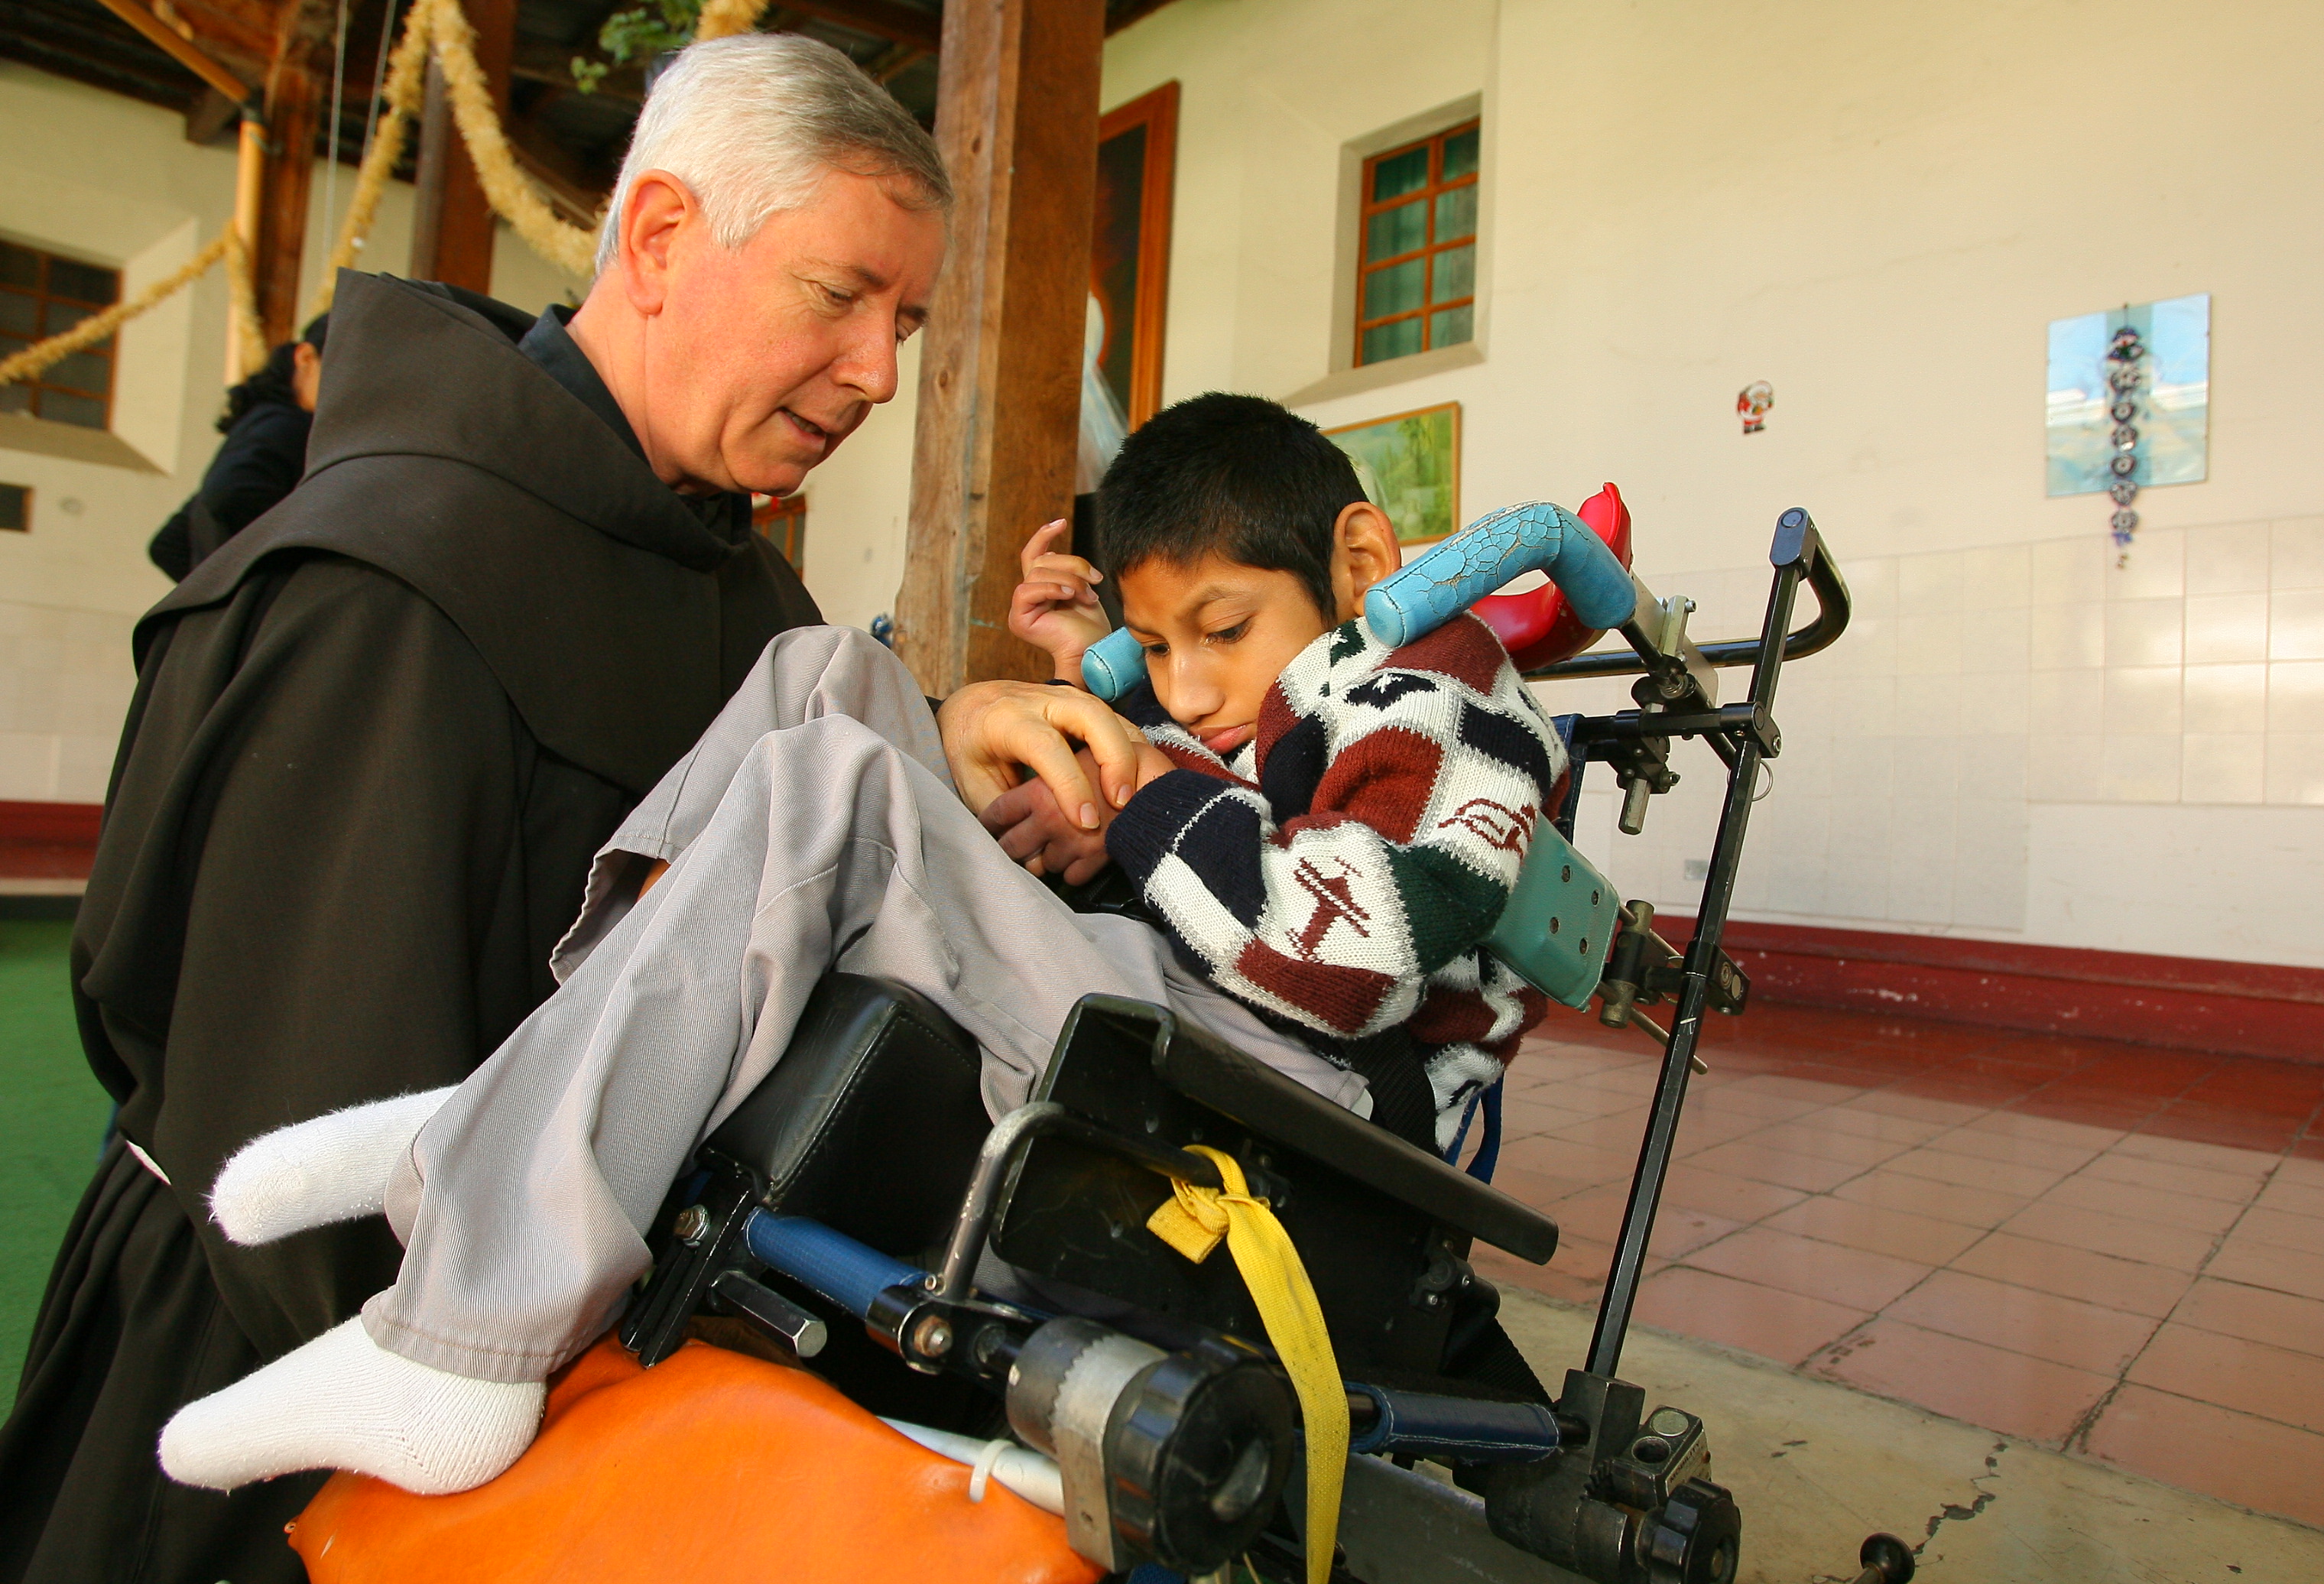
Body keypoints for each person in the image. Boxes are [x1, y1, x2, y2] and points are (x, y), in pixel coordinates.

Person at [0, 32, 1086, 1584]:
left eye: (904, 319)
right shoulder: (386, 588)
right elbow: (302, 1149)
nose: (879, 372)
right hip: (283, 1411)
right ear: (656, 238)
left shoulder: (730, 572)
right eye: (839, 295)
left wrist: (940, 748)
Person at [152, 392, 1569, 1502]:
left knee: (836, 788)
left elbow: (1362, 953)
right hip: (1177, 1020)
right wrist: (1105, 745)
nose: (1190, 678)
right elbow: (1209, 806)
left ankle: (461, 1340)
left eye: (1220, 629)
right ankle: (516, 1110)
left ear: (1363, 560)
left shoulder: (1447, 701)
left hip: (1297, 1108)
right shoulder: (1259, 710)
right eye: (1160, 638)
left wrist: (1146, 792)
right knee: (820, 675)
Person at [147, 315, 328, 581]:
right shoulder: (288, 428)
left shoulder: (264, 423)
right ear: (305, 358)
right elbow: (230, 497)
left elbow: (170, 544)